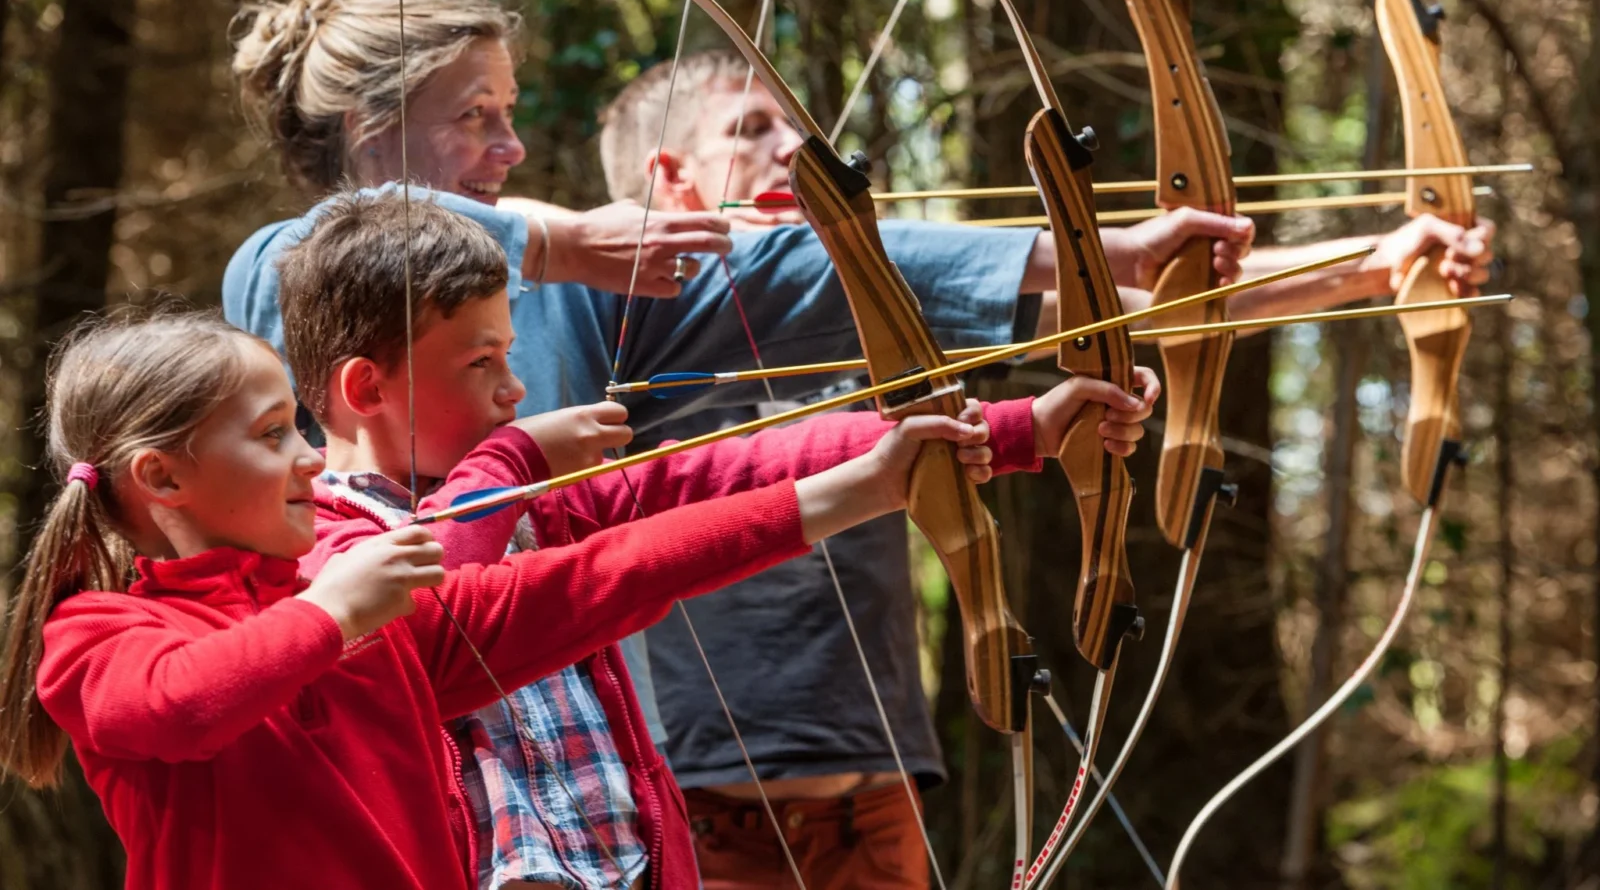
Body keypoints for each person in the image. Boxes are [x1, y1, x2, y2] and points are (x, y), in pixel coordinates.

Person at [219, 0, 1255, 753]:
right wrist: (563, 237)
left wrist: (1092, 250)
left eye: (511, 114)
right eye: (474, 116)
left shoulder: (584, 290)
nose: (511, 147)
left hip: (593, 745)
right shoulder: (282, 268)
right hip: (380, 753)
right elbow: (345, 239)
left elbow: (814, 269)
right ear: (368, 129)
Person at [601, 50, 1499, 890]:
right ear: (671, 181)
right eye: (749, 131)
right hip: (706, 812)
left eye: (789, 124)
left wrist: (1374, 265)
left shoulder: (878, 318)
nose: (794, 146)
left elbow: (1144, 309)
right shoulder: (630, 328)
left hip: (879, 803)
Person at [0, 295, 1146, 890]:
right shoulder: (100, 631)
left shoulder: (368, 597)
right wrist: (335, 610)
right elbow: (179, 707)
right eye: (268, 436)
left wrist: (861, 488)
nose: (308, 458)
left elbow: (611, 570)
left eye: (298, 430)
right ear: (162, 481)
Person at [274, 191, 1159, 890]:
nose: (515, 389)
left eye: (511, 354)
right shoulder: (320, 548)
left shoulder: (538, 503)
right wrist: (508, 460)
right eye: (481, 363)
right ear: (365, 387)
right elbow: (446, 607)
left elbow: (732, 471)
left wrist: (1014, 431)